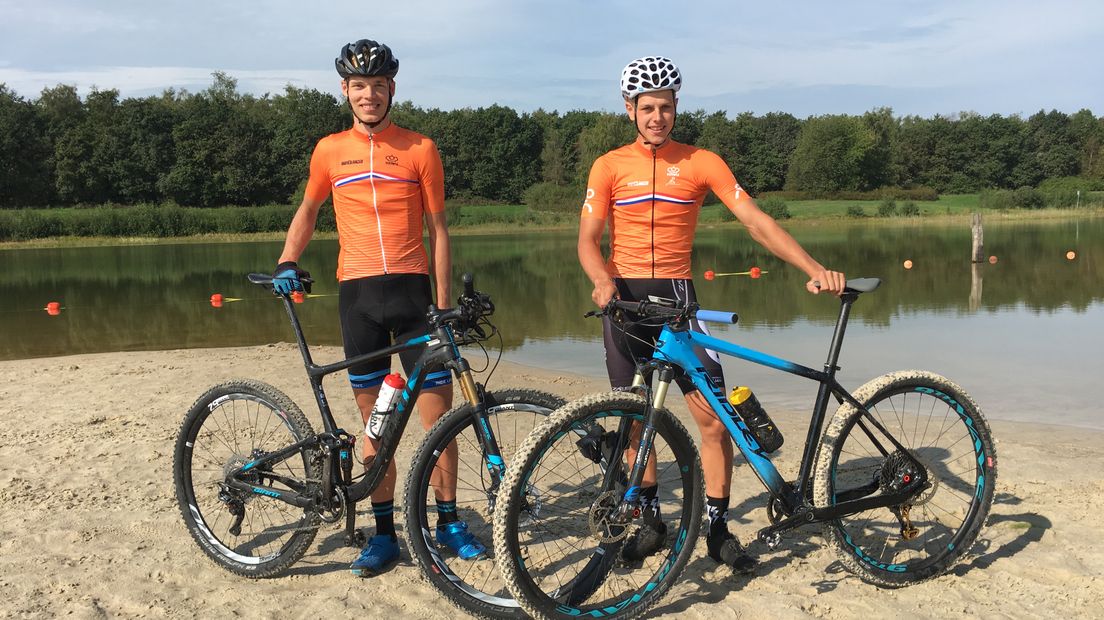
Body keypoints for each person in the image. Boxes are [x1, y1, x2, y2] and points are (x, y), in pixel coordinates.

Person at [578, 56, 846, 573]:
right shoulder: (609, 166)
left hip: (679, 302)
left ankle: (719, 529)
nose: (657, 116)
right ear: (630, 110)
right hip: (624, 304)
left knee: (715, 420)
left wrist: (814, 267)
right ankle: (651, 522)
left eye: (666, 106)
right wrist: (602, 279)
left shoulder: (702, 161)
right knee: (635, 424)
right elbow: (588, 241)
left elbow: (756, 222)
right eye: (647, 107)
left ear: (677, 107)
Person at [272, 38, 485, 578]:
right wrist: (286, 261)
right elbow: (308, 209)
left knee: (439, 419)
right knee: (377, 425)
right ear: (345, 90)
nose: (370, 95)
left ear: (393, 88)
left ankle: (449, 523)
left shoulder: (419, 149)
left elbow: (439, 231)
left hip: (414, 299)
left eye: (379, 85)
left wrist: (440, 307)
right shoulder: (328, 150)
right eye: (359, 86)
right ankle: (385, 533)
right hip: (359, 299)